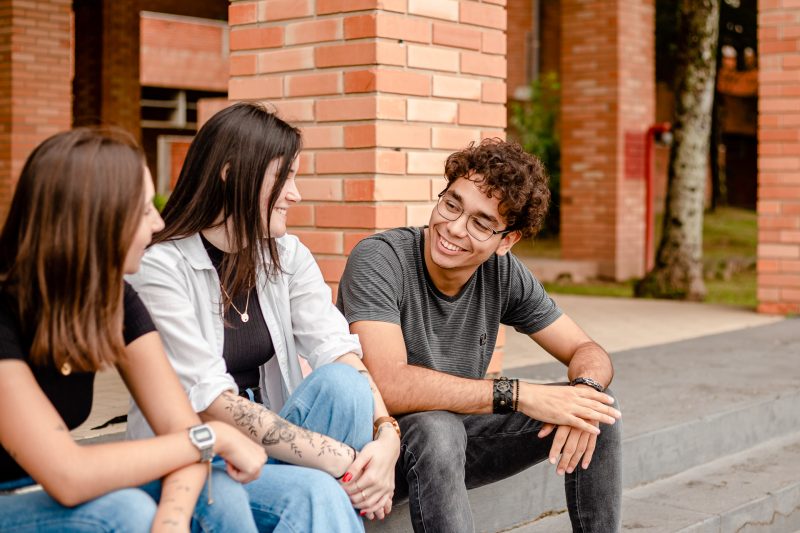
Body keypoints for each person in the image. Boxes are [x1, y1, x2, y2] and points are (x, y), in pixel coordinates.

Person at [126, 102, 401, 532]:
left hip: (276, 433)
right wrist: (348, 465)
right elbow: (213, 399)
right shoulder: (160, 267)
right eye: (284, 177)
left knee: (344, 383)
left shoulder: (286, 254)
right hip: (200, 457)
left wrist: (387, 438)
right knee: (319, 491)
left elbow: (339, 351)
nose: (296, 193)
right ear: (232, 174)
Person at [336, 138, 623, 533]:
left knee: (598, 413)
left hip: (455, 443)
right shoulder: (381, 258)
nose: (454, 228)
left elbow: (585, 348)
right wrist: (518, 392)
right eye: (452, 204)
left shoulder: (503, 274)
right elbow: (389, 384)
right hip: (377, 446)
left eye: (481, 223)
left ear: (506, 241)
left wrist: (584, 393)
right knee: (437, 427)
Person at [0, 128, 266, 533]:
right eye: (143, 210)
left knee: (219, 491)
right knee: (123, 512)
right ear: (96, 220)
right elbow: (69, 476)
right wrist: (215, 437)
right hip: (21, 496)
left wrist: (173, 520)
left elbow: (183, 433)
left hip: (43, 490)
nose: (158, 222)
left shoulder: (114, 298)